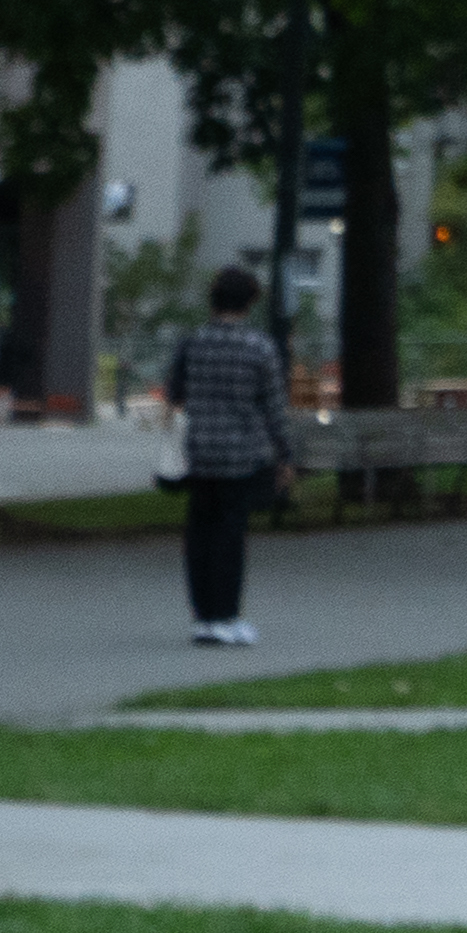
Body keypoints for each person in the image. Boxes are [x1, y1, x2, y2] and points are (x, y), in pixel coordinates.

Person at [170, 261, 292, 648]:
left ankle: (203, 616)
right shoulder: (259, 348)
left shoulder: (193, 343)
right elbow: (274, 407)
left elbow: (175, 393)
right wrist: (285, 454)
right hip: (241, 453)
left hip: (199, 449)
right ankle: (227, 614)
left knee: (199, 533)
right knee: (230, 535)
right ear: (249, 304)